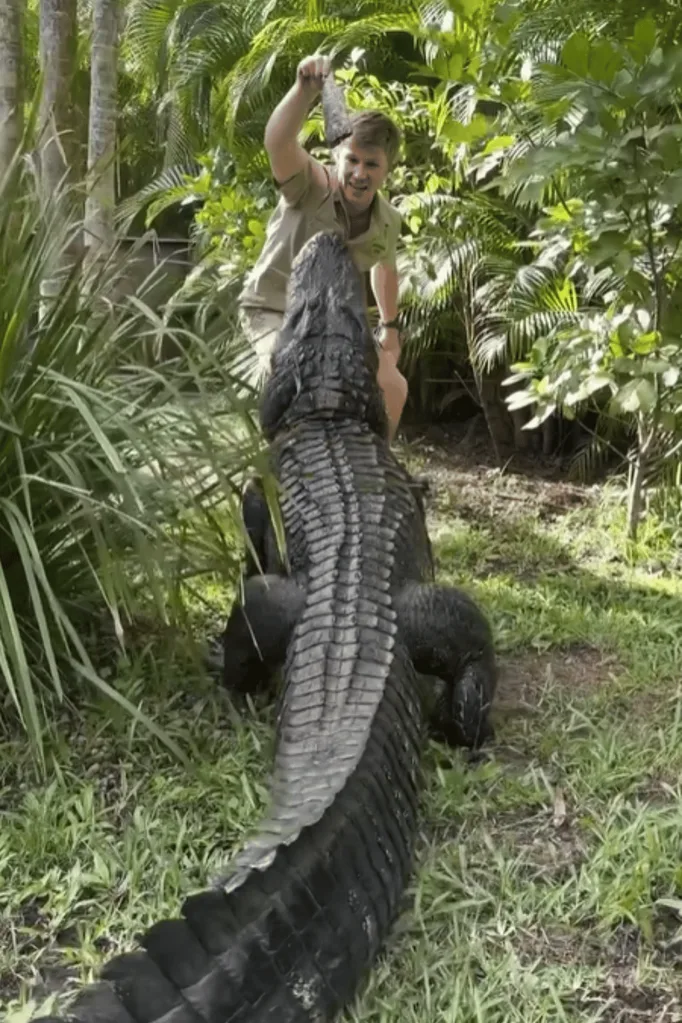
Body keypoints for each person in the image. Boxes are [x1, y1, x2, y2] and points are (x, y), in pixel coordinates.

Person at [238, 53, 408, 442]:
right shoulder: (311, 185)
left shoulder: (388, 219)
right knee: (281, 374)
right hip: (275, 310)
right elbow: (278, 142)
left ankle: (375, 464)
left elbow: (385, 266)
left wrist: (390, 326)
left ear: (387, 169)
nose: (359, 173)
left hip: (337, 320)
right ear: (337, 157)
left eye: (371, 164)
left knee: (393, 387)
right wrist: (303, 91)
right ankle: (265, 478)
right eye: (352, 160)